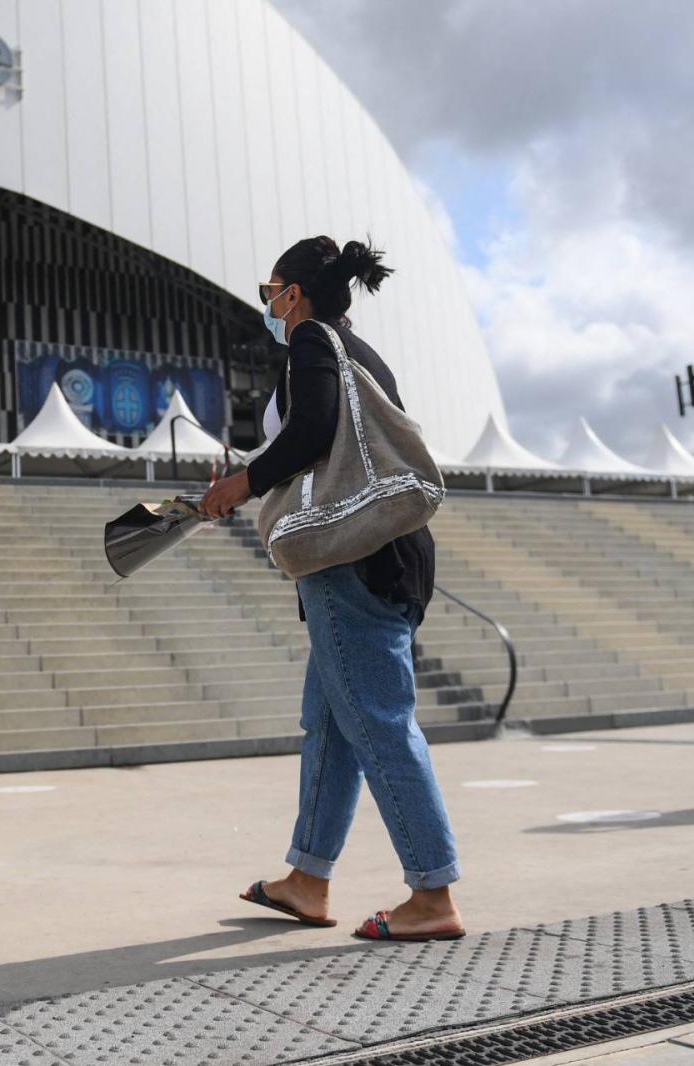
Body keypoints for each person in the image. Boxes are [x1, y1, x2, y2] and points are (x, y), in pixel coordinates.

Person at [200, 236, 465, 943]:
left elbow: (313, 430)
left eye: (269, 292)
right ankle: (308, 880)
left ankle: (432, 892)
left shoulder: (312, 341)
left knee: (378, 722)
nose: (268, 305)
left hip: (356, 564)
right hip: (385, 558)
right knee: (331, 726)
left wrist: (240, 483)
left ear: (295, 294)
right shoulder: (359, 350)